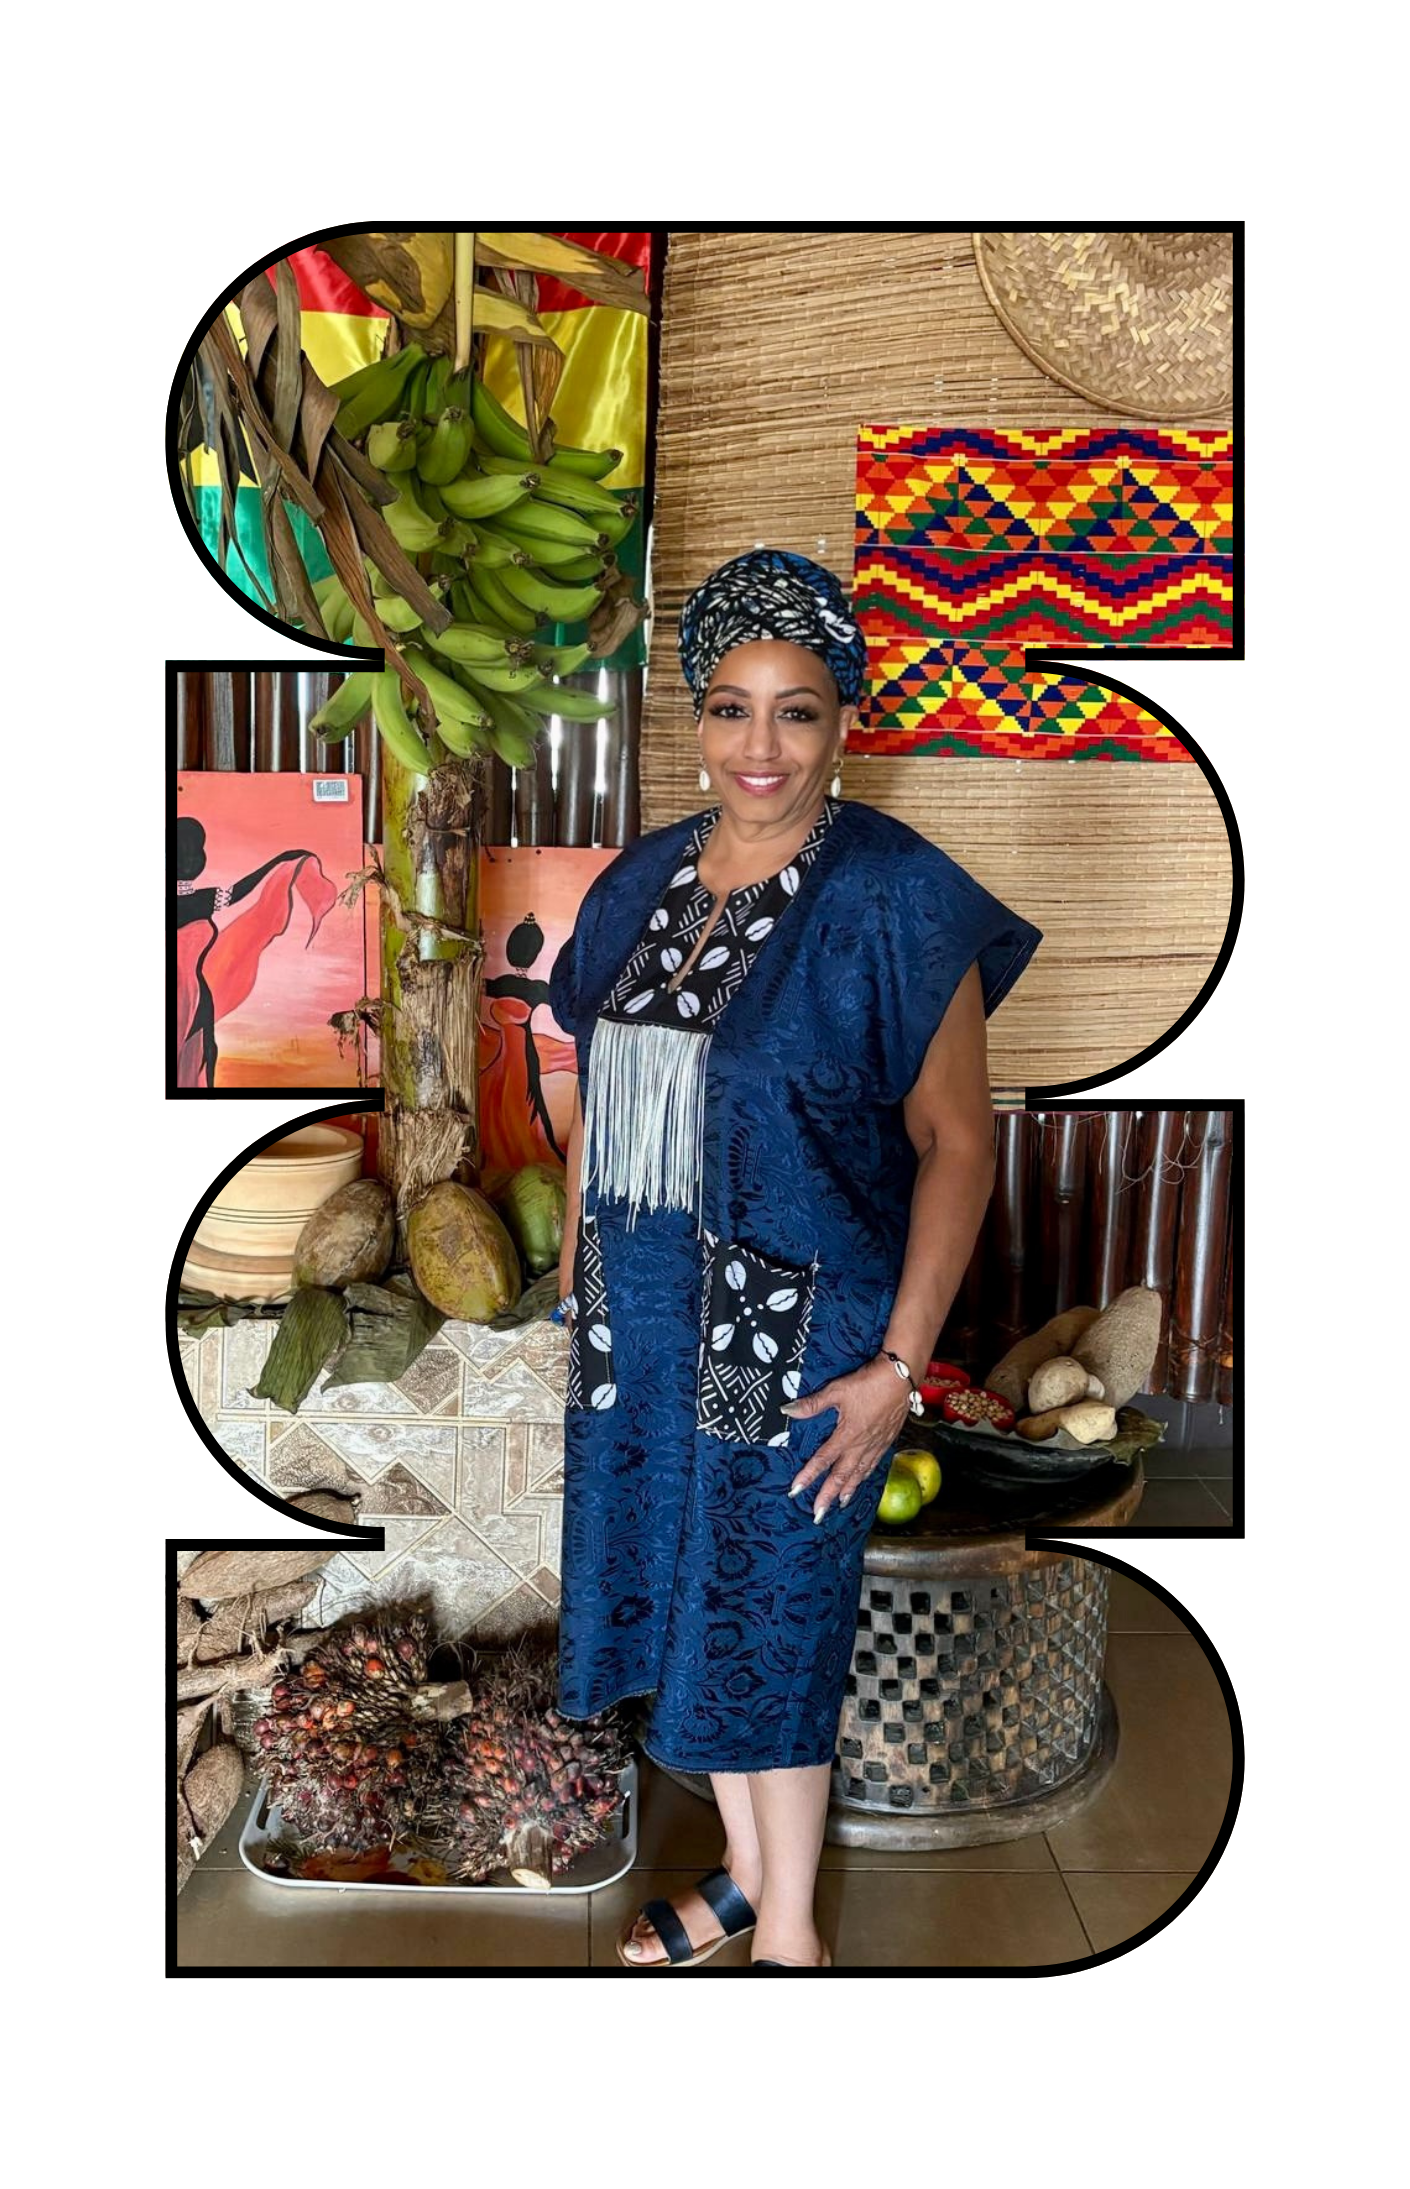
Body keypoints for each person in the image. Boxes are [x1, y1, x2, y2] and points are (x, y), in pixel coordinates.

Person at [547, 551, 1042, 1967]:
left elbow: (957, 1142)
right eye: (728, 708)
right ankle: (749, 1878)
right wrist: (583, 1277)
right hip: (642, 1316)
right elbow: (594, 1081)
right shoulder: (638, 881)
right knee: (696, 1599)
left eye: (796, 712)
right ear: (693, 721)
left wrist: (898, 1366)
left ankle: (792, 1936)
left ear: (845, 721)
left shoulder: (895, 894)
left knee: (771, 1609)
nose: (757, 748)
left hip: (803, 1323)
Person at [173, 816, 337, 1087]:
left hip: (197, 997)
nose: (189, 860)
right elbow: (240, 891)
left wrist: (279, 861)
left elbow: (241, 890)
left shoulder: (203, 900)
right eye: (185, 853)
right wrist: (279, 861)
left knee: (203, 1054)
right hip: (185, 996)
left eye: (191, 852)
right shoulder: (202, 901)